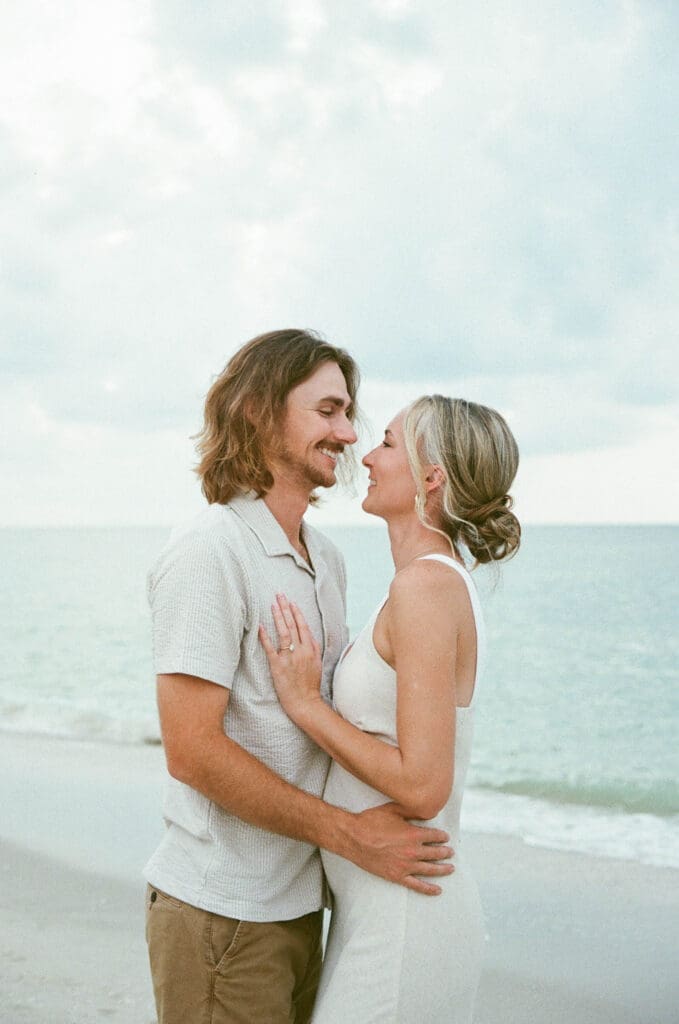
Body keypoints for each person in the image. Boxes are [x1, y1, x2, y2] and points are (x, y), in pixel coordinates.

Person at [144, 331, 454, 1024]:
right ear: (257, 411)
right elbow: (191, 751)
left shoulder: (327, 559)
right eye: (327, 411)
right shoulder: (209, 550)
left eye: (350, 413)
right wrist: (347, 834)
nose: (347, 433)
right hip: (221, 911)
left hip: (301, 908)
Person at [261, 394, 521, 1023]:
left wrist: (306, 705)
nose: (366, 454)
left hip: (405, 926)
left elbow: (425, 785)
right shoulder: (421, 584)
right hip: (378, 914)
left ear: (432, 478)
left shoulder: (427, 586)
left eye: (386, 442)